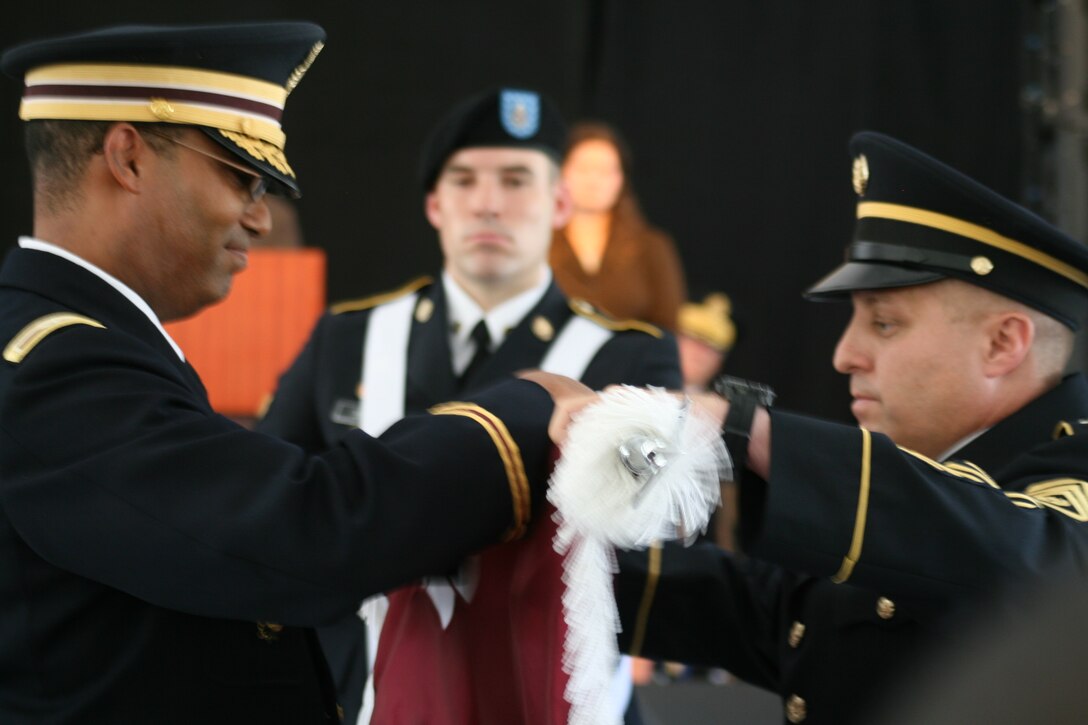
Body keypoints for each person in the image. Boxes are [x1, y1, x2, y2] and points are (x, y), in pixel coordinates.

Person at [0, 23, 582, 725]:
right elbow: (306, 531)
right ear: (127, 157)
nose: (259, 217)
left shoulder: (71, 342)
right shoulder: (52, 363)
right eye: (241, 176)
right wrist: (524, 408)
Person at [611, 131, 1088, 724]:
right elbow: (751, 609)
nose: (844, 355)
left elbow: (1031, 566)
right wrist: (547, 546)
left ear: (1001, 343)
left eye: (884, 324)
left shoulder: (1061, 490)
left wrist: (742, 429)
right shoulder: (900, 501)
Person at [258, 87, 680, 725]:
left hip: (548, 698)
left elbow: (649, 553)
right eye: (464, 181)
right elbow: (277, 504)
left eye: (516, 180)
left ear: (560, 202)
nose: (488, 203)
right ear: (434, 204)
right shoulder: (346, 338)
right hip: (367, 697)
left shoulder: (629, 360)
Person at [550, 121, 687, 331]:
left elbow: (668, 327)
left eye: (605, 171)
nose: (593, 180)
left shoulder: (652, 246)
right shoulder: (538, 242)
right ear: (561, 172)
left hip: (630, 360)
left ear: (621, 179)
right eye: (583, 169)